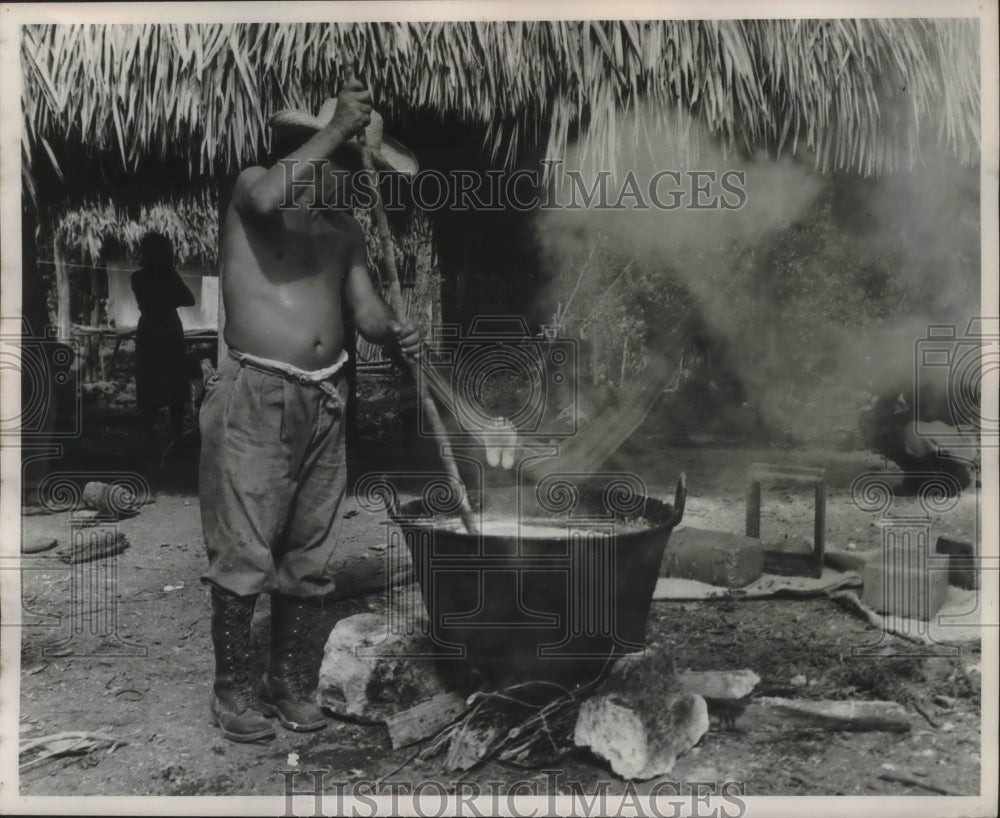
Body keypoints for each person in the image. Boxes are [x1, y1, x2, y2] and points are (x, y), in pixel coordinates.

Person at [199, 80, 422, 743]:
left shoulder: (343, 232)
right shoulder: (253, 191)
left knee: (310, 554)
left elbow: (367, 314)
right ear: (305, 150)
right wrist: (338, 130)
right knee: (244, 550)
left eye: (349, 165)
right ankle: (233, 691)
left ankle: (289, 682)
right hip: (256, 393)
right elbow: (269, 194)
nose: (343, 177)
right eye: (333, 161)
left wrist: (395, 330)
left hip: (327, 397)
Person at [131, 232, 195, 442]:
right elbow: (187, 299)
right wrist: (170, 294)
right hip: (167, 330)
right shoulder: (168, 277)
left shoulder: (138, 277)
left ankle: (152, 439)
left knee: (152, 384)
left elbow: (188, 300)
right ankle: (174, 438)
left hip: (150, 330)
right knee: (172, 383)